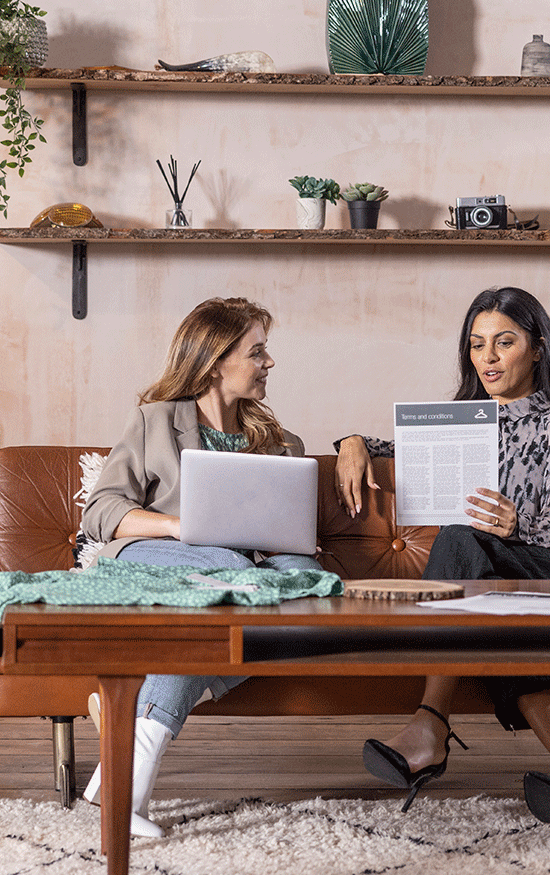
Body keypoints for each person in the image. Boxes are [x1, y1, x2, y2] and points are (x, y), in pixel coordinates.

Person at [335, 286, 550, 833]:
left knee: (463, 542)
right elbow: (391, 447)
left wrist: (519, 523)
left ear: (536, 349)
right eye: (477, 344)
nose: (487, 357)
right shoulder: (462, 420)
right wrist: (351, 441)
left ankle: (431, 724)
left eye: (503, 342)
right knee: (491, 602)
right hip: (496, 583)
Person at [79, 296, 323, 837]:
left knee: (277, 596)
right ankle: (125, 779)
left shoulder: (282, 445)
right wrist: (176, 525)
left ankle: (118, 784)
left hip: (229, 586)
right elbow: (100, 513)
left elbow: (292, 545)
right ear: (215, 362)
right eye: (257, 351)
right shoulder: (154, 421)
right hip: (160, 562)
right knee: (226, 584)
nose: (270, 362)